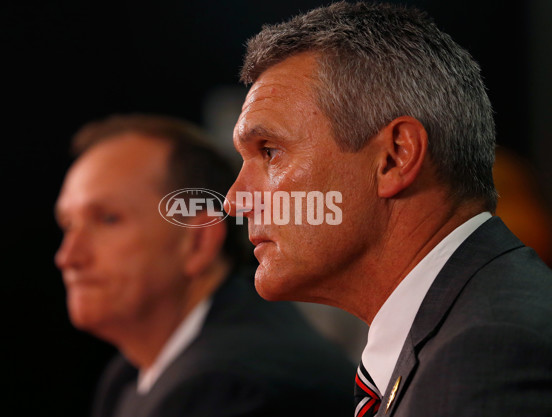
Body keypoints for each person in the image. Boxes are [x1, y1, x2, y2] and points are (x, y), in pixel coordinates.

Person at [224, 2, 552, 416]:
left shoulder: (487, 353)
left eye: (270, 151)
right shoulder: (464, 329)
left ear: (395, 158)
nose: (235, 200)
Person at [54, 114, 358, 417]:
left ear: (199, 242)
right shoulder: (131, 374)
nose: (68, 257)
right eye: (68, 225)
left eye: (108, 219)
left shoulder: (224, 387)